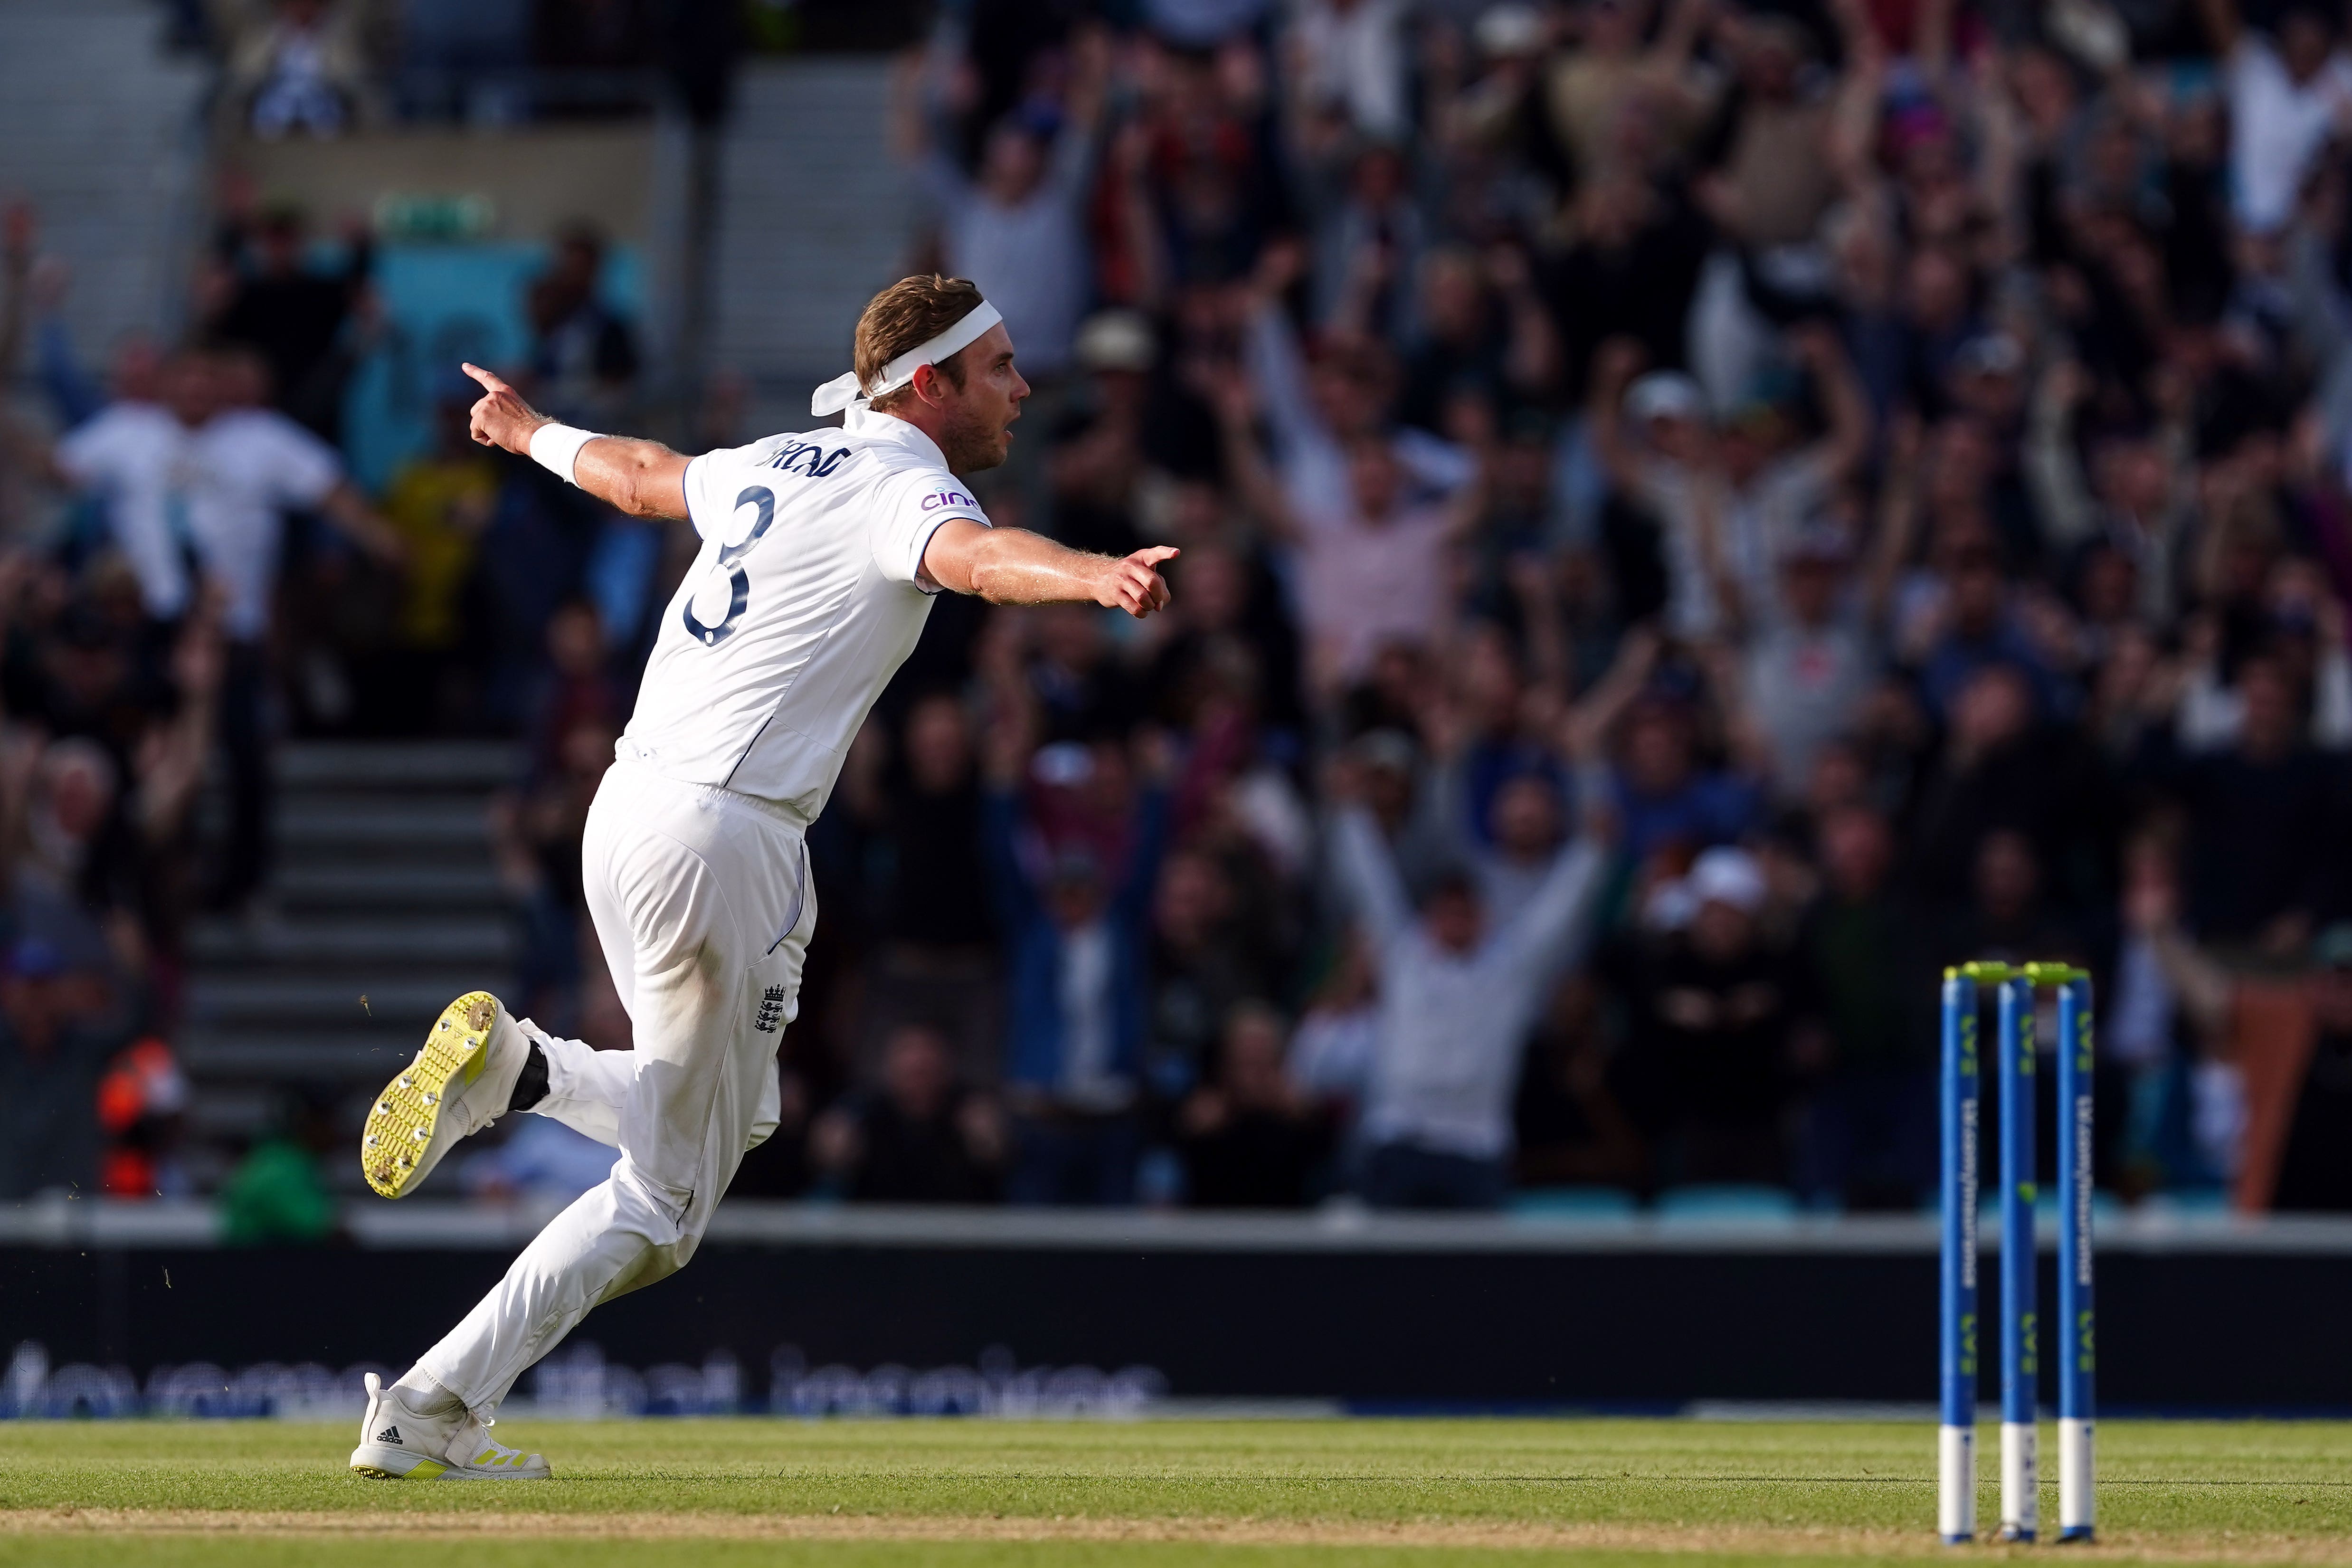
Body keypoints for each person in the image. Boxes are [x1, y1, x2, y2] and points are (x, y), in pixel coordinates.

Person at [344, 274, 1179, 1481]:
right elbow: (982, 558)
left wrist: (527, 432)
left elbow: (637, 476)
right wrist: (1094, 573)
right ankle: (428, 1405)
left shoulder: (779, 459)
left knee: (742, 1118)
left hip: (627, 811)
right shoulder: (906, 484)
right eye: (1000, 365)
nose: (1025, 385)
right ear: (929, 384)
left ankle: (526, 1071)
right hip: (724, 837)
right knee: (664, 1205)